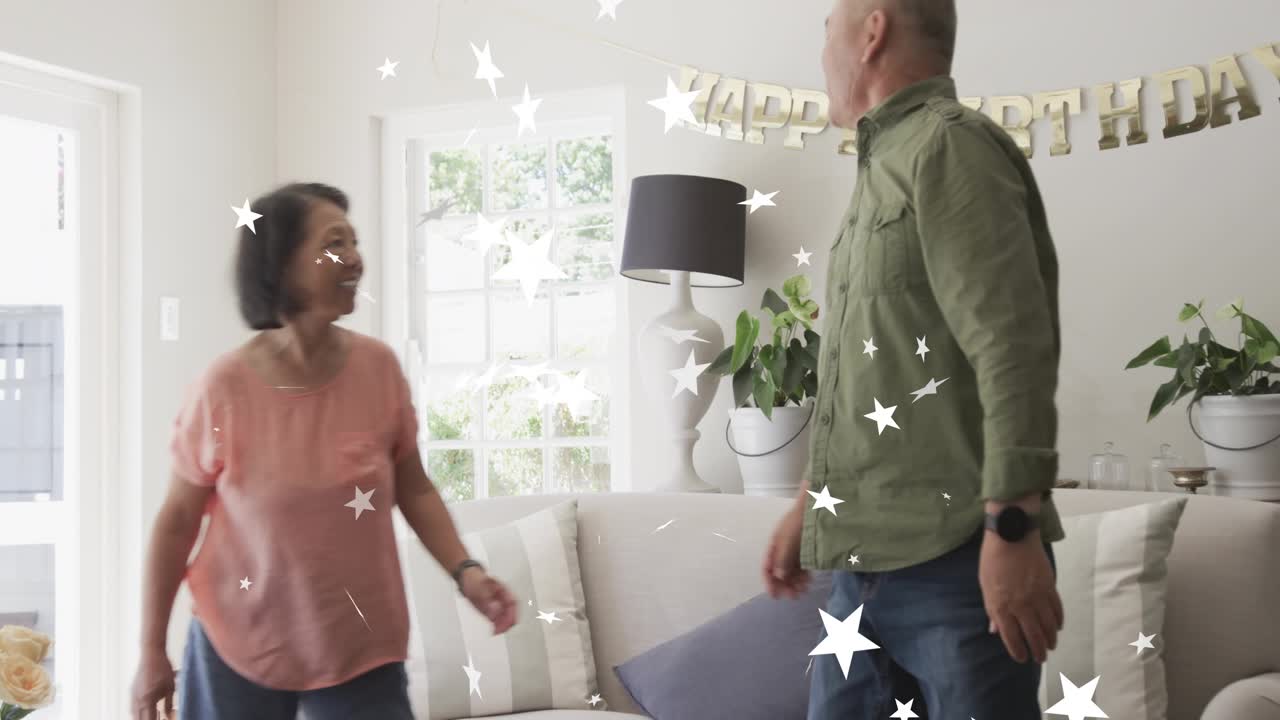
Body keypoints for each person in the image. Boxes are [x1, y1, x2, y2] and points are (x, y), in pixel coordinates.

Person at [762, 1, 1066, 718]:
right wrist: (808, 504)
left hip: (955, 568)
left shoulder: (949, 147)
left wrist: (1014, 525)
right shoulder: (882, 168)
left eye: (827, 28)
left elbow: (1011, 343)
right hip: (858, 571)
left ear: (871, 31)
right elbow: (870, 368)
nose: (822, 51)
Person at [129, 183, 519, 720]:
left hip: (361, 643)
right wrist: (151, 649)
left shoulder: (378, 370)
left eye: (355, 241)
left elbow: (414, 485)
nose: (355, 257)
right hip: (239, 643)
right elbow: (176, 522)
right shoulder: (223, 388)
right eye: (336, 242)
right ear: (282, 262)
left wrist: (466, 570)